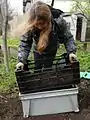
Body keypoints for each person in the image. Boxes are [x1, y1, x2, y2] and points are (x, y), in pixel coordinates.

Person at [16, 1, 77, 70]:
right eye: (37, 24)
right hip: (37, 51)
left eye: (42, 23)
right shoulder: (30, 25)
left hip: (52, 49)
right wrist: (21, 61)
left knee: (48, 69)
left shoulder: (58, 21)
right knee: (38, 69)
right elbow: (25, 43)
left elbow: (68, 38)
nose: (39, 27)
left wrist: (71, 52)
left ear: (48, 20)